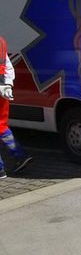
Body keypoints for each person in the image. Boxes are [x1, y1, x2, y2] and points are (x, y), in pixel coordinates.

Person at [0, 36, 33, 179]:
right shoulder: (1, 41)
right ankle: (20, 155)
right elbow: (7, 65)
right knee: (1, 127)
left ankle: (0, 170)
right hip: (3, 90)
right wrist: (7, 85)